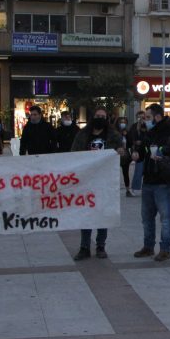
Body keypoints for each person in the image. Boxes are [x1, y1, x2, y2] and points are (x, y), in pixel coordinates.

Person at [131, 103, 170, 262]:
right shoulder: (149, 133)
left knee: (165, 217)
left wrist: (165, 157)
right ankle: (148, 246)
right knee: (147, 217)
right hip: (148, 180)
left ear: (158, 117)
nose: (145, 120)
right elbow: (144, 152)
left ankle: (165, 249)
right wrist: (137, 154)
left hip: (164, 181)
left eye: (148, 117)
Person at [70, 107, 120, 260]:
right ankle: (84, 247)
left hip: (105, 181)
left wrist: (121, 153)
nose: (99, 118)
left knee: (102, 213)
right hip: (87, 180)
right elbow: (74, 154)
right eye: (97, 115)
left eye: (102, 116)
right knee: (86, 214)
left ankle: (100, 246)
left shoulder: (113, 136)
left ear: (107, 118)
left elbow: (122, 156)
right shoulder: (83, 134)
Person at [129, 109, 148, 194]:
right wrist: (134, 143)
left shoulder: (147, 125)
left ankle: (146, 188)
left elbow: (149, 137)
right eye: (139, 117)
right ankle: (135, 188)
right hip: (138, 150)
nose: (140, 119)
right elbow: (130, 137)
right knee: (138, 170)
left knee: (147, 170)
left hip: (147, 150)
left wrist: (142, 141)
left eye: (142, 117)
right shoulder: (134, 126)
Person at [115, 115, 134, 197]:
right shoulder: (114, 133)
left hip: (125, 156)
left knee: (125, 173)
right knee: (114, 173)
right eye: (121, 122)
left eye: (124, 122)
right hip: (115, 156)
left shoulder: (127, 132)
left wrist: (126, 135)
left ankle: (127, 190)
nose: (123, 124)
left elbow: (130, 144)